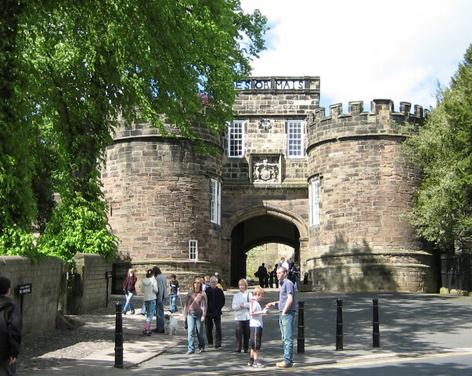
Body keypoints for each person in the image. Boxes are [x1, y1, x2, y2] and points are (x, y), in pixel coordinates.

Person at [266, 266, 297, 368]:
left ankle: (287, 361)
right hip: (284, 313)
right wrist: (273, 304)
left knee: (287, 338)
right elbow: (283, 301)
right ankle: (287, 360)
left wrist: (284, 312)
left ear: (285, 273)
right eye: (277, 273)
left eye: (279, 273)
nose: (277, 274)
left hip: (287, 314)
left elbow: (290, 299)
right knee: (284, 338)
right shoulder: (283, 284)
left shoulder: (288, 283)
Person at [0, 277, 21, 376]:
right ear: (8, 290)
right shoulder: (12, 306)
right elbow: (14, 328)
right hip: (4, 350)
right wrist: (14, 352)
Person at [183, 278, 207, 354]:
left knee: (199, 332)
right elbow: (186, 305)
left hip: (199, 315)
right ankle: (191, 348)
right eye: (195, 283)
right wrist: (184, 315)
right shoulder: (189, 294)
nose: (196, 284)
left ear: (200, 284)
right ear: (193, 284)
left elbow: (204, 306)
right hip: (191, 314)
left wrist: (203, 315)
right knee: (190, 331)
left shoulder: (203, 294)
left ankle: (201, 346)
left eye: (198, 283)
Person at [247, 286, 268, 368]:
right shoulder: (254, 302)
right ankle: (256, 361)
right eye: (261, 295)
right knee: (256, 344)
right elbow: (252, 313)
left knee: (253, 344)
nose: (262, 297)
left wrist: (262, 312)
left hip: (256, 325)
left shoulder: (253, 302)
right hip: (255, 325)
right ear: (258, 294)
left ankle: (251, 360)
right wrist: (262, 312)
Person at [231, 278, 251, 353]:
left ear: (246, 286)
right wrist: (239, 306)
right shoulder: (236, 295)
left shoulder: (249, 294)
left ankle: (246, 347)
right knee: (238, 333)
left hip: (247, 316)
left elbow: (252, 304)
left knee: (247, 333)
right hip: (238, 317)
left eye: (243, 285)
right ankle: (238, 347)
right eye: (240, 285)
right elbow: (233, 306)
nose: (241, 287)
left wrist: (244, 305)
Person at [205, 276, 225, 349]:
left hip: (217, 312)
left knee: (218, 328)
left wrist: (218, 308)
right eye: (212, 282)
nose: (213, 283)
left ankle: (218, 343)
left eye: (214, 282)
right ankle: (210, 342)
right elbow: (204, 302)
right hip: (208, 312)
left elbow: (222, 301)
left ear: (216, 283)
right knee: (208, 328)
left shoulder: (219, 291)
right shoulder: (206, 291)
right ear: (210, 283)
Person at [141, 269, 158, 336]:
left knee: (148, 314)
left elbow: (142, 290)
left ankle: (148, 329)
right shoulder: (153, 280)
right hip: (152, 298)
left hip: (146, 298)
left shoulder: (143, 280)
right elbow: (156, 290)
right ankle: (146, 327)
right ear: (152, 274)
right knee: (151, 314)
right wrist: (153, 287)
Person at [153, 266, 168, 333]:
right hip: (163, 296)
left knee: (159, 314)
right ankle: (159, 327)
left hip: (160, 297)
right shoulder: (163, 276)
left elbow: (160, 289)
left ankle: (160, 329)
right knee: (160, 313)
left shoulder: (158, 278)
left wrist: (159, 299)